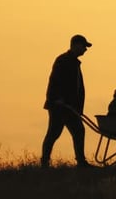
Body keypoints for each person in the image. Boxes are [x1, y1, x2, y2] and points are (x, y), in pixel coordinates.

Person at [41, 34, 93, 168]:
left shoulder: (74, 63)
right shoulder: (63, 60)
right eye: (84, 46)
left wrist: (78, 108)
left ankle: (81, 161)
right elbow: (54, 81)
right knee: (54, 133)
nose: (85, 50)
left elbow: (76, 88)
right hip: (60, 106)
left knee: (79, 131)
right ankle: (44, 162)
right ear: (75, 45)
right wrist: (55, 98)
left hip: (71, 107)